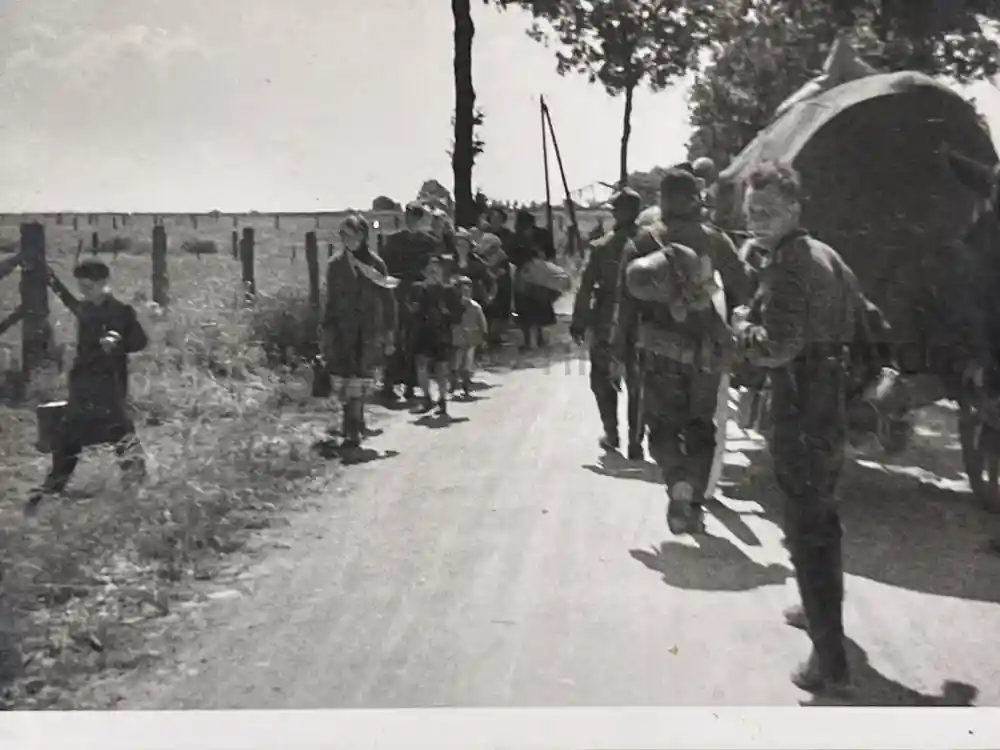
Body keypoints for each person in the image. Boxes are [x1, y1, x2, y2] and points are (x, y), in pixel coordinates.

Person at [731, 161, 864, 694]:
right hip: (828, 401)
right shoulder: (823, 254)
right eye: (750, 213)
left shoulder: (788, 267)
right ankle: (816, 614)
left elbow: (775, 347)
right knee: (820, 517)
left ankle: (829, 663)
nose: (756, 221)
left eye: (767, 211)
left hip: (800, 404)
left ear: (794, 209)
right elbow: (864, 314)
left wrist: (743, 324)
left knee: (808, 529)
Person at [618, 168, 750, 535]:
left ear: (661, 201)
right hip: (706, 357)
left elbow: (625, 306)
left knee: (660, 427)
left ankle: (676, 482)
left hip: (659, 355)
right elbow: (744, 289)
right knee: (701, 428)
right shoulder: (716, 241)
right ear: (696, 201)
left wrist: (619, 354)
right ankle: (693, 500)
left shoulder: (641, 243)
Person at [26, 258, 148, 516]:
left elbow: (139, 341)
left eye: (89, 286)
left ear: (104, 284)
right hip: (83, 383)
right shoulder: (85, 310)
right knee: (69, 435)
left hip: (109, 383)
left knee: (120, 433)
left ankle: (137, 486)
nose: (84, 292)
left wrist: (117, 340)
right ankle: (52, 487)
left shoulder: (121, 311)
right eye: (81, 287)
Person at [571, 187, 645, 458]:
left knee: (602, 381)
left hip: (606, 321)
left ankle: (612, 433)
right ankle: (636, 440)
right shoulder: (649, 243)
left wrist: (579, 321)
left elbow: (586, 288)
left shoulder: (601, 247)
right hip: (640, 322)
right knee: (638, 383)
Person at [322, 214, 397, 449]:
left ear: (362, 235)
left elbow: (388, 299)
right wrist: (326, 331)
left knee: (359, 379)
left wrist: (389, 332)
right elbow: (331, 301)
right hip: (343, 330)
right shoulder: (335, 265)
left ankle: (353, 429)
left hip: (368, 331)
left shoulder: (376, 264)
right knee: (344, 379)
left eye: (350, 234)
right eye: (342, 234)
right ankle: (352, 421)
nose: (345, 239)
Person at [379, 201, 439, 402]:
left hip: (420, 294)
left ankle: (411, 385)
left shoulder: (429, 242)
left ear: (421, 219)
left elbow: (434, 267)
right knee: (394, 338)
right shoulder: (394, 241)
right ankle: (389, 384)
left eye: (416, 217)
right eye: (409, 216)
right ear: (405, 218)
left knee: (415, 341)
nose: (412, 220)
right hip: (398, 292)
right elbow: (385, 268)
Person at [410, 255, 465, 415]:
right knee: (421, 366)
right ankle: (426, 398)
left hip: (441, 333)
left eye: (436, 270)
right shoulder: (418, 289)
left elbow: (458, 315)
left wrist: (448, 313)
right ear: (424, 272)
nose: (433, 273)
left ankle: (442, 400)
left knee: (441, 369)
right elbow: (411, 309)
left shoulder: (448, 291)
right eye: (430, 270)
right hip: (422, 332)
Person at [509, 209, 557, 351]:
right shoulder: (516, 238)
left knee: (537, 305)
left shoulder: (542, 235)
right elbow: (512, 255)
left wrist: (543, 256)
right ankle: (530, 339)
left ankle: (537, 337)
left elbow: (550, 252)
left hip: (538, 273)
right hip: (525, 274)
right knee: (525, 307)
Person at [451, 275, 489, 398]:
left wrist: (483, 337)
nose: (465, 292)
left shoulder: (475, 306)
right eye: (462, 290)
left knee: (468, 362)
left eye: (468, 290)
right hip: (455, 337)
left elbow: (482, 322)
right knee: (455, 362)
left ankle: (466, 386)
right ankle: (453, 383)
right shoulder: (452, 306)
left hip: (471, 338)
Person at [483, 206, 514, 351]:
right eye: (493, 218)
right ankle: (489, 334)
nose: (495, 221)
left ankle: (498, 334)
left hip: (503, 269)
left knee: (503, 301)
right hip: (487, 269)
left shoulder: (508, 235)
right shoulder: (485, 234)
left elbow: (511, 253)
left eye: (498, 218)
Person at [453, 227, 498, 310]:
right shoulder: (449, 262)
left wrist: (489, 299)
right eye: (458, 244)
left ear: (469, 247)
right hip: (453, 302)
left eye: (463, 244)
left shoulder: (478, 265)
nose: (460, 247)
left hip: (472, 303)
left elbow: (492, 283)